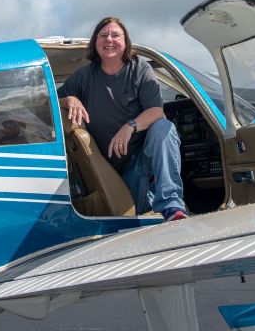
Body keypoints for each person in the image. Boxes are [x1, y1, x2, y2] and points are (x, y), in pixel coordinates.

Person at [58, 17, 187, 221]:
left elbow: (156, 112)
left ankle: (171, 206)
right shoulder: (83, 77)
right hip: (109, 177)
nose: (109, 39)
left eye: (115, 35)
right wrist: (69, 99)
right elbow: (50, 101)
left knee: (164, 128)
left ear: (125, 42)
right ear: (95, 42)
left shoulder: (140, 69)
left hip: (139, 163)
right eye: (103, 35)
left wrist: (130, 126)